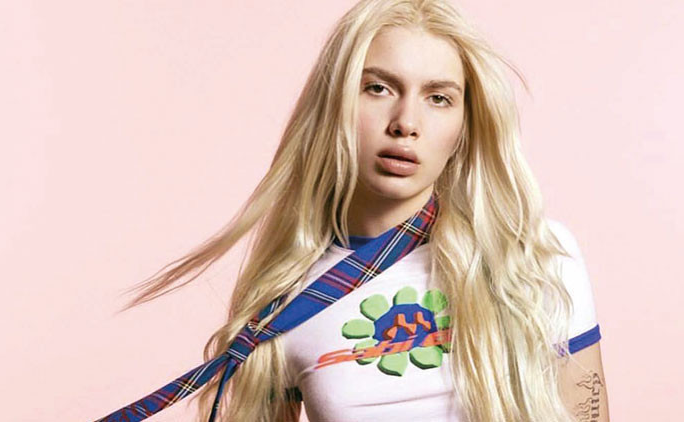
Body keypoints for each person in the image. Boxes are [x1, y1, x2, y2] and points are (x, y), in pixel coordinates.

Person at [101, 0, 609, 421]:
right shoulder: (282, 300)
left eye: (438, 98)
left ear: (464, 126)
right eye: (378, 88)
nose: (405, 122)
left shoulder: (535, 257)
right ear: (337, 103)